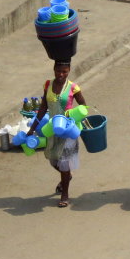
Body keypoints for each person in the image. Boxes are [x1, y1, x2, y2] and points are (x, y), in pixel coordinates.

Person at [27, 60, 86, 208]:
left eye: (64, 71)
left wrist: (71, 115)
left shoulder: (73, 88)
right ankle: (67, 176)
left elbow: (83, 107)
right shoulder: (48, 85)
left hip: (67, 130)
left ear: (69, 71)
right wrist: (32, 128)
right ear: (53, 70)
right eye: (58, 71)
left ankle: (64, 194)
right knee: (53, 160)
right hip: (52, 129)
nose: (61, 74)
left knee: (64, 162)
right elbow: (43, 108)